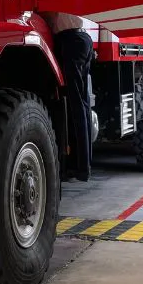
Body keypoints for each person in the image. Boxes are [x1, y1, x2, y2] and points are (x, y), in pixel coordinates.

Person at [43, 12, 94, 181]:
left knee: (76, 107)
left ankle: (81, 168)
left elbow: (47, 17)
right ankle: (83, 165)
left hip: (70, 41)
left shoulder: (50, 4)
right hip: (83, 39)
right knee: (83, 107)